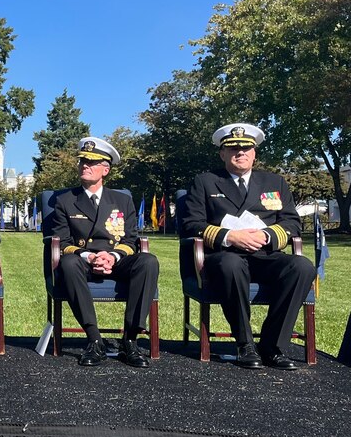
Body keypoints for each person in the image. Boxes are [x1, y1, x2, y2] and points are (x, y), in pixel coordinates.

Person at [179, 123, 315, 370]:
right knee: (231, 264)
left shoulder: (275, 182)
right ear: (222, 154)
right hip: (224, 255)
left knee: (302, 267)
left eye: (246, 148)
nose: (240, 153)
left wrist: (266, 236)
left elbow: (292, 222)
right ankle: (245, 344)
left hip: (265, 254)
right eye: (232, 149)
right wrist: (231, 237)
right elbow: (191, 224)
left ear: (255, 153)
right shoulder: (206, 181)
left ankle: (273, 346)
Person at [45, 137, 158, 368]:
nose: (84, 165)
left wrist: (112, 256)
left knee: (148, 261)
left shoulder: (122, 200)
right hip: (84, 260)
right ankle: (94, 339)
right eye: (82, 161)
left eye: (92, 162)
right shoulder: (65, 200)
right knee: (67, 263)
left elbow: (130, 238)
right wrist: (90, 256)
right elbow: (63, 241)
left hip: (115, 259)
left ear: (105, 169)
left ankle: (131, 340)